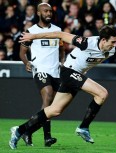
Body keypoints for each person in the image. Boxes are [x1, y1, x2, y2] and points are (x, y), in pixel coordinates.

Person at [9, 25, 116, 150]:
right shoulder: (86, 42)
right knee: (102, 93)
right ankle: (83, 127)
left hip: (74, 75)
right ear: (103, 40)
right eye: (112, 42)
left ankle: (19, 130)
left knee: (54, 110)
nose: (115, 45)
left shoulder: (113, 48)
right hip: (67, 71)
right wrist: (33, 36)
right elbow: (60, 35)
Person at [19, 3, 64, 147]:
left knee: (52, 107)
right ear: (38, 13)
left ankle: (28, 131)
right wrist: (26, 62)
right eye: (45, 11)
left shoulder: (57, 30)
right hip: (40, 69)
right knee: (48, 95)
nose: (49, 13)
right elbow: (22, 52)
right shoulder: (31, 31)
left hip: (55, 71)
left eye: (50, 11)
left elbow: (62, 49)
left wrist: (62, 62)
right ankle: (47, 137)